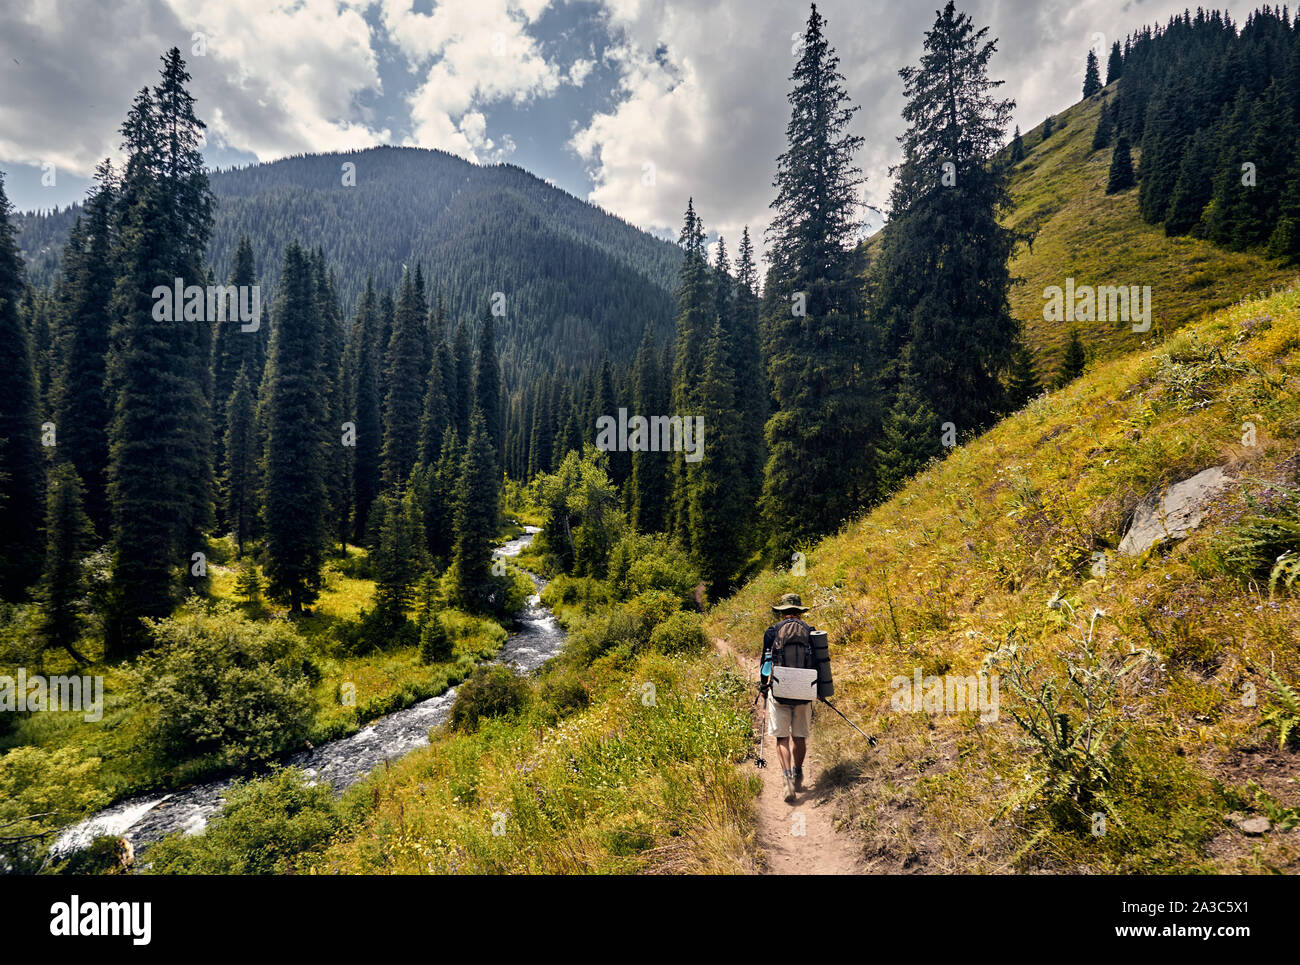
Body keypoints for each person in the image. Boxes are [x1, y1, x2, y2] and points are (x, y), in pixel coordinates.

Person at [760, 593, 815, 803]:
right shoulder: (809, 631)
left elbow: (766, 662)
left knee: (781, 737)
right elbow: (819, 662)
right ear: (800, 612)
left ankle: (787, 781)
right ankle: (798, 772)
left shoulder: (772, 632)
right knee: (799, 736)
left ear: (782, 612)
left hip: (780, 689)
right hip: (804, 689)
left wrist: (764, 685)